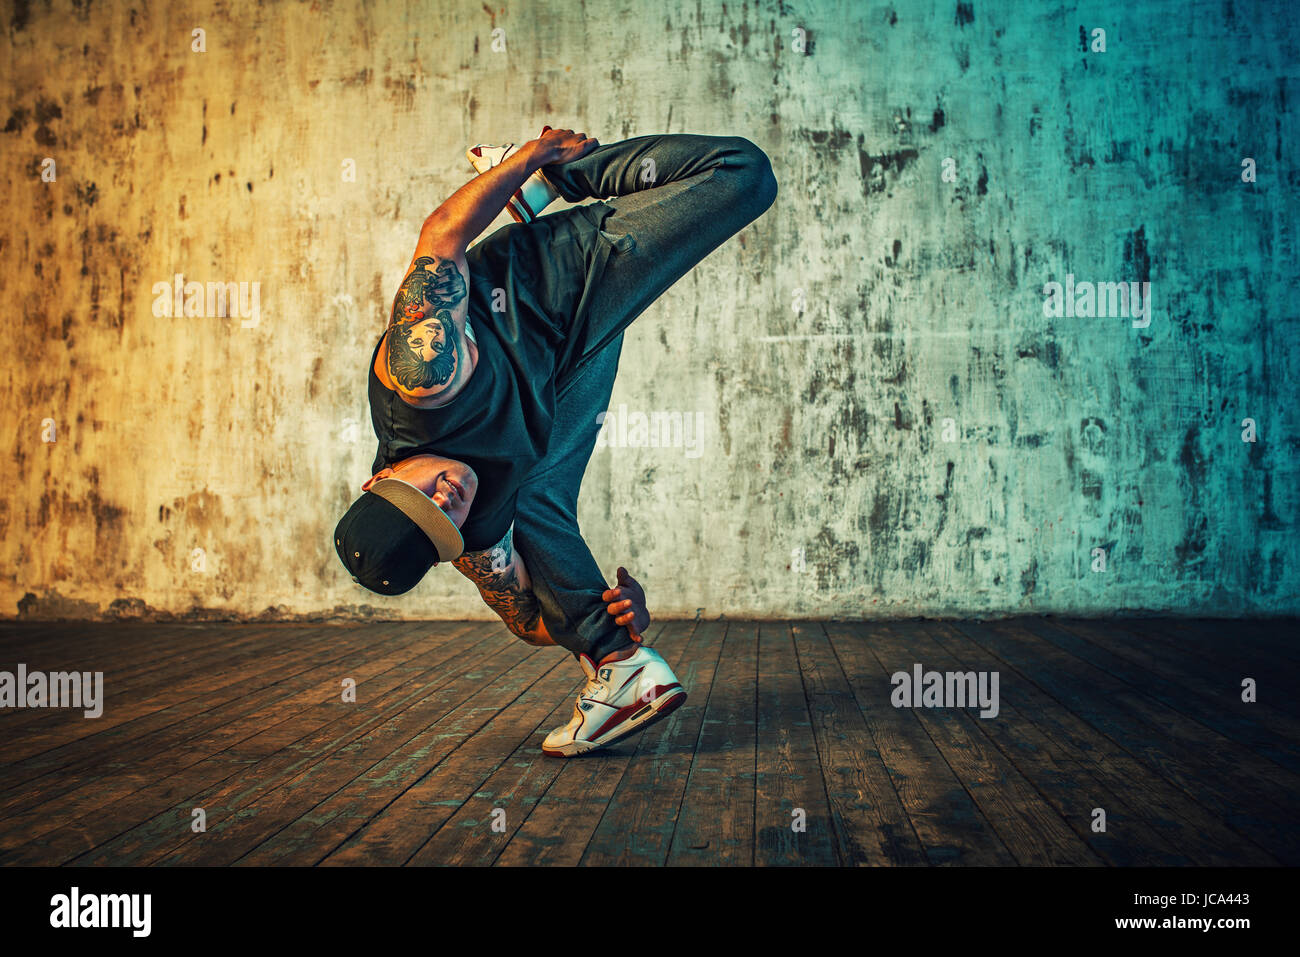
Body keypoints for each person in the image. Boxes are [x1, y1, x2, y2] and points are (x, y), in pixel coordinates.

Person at [334, 127, 778, 756]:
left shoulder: (422, 379)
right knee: (530, 511)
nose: (450, 495)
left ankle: (549, 182)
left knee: (743, 174)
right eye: (444, 521)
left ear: (378, 478)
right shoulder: (473, 535)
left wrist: (532, 163)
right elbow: (530, 620)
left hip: (559, 283)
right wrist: (613, 612)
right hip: (565, 373)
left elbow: (442, 238)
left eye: (423, 495)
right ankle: (622, 666)